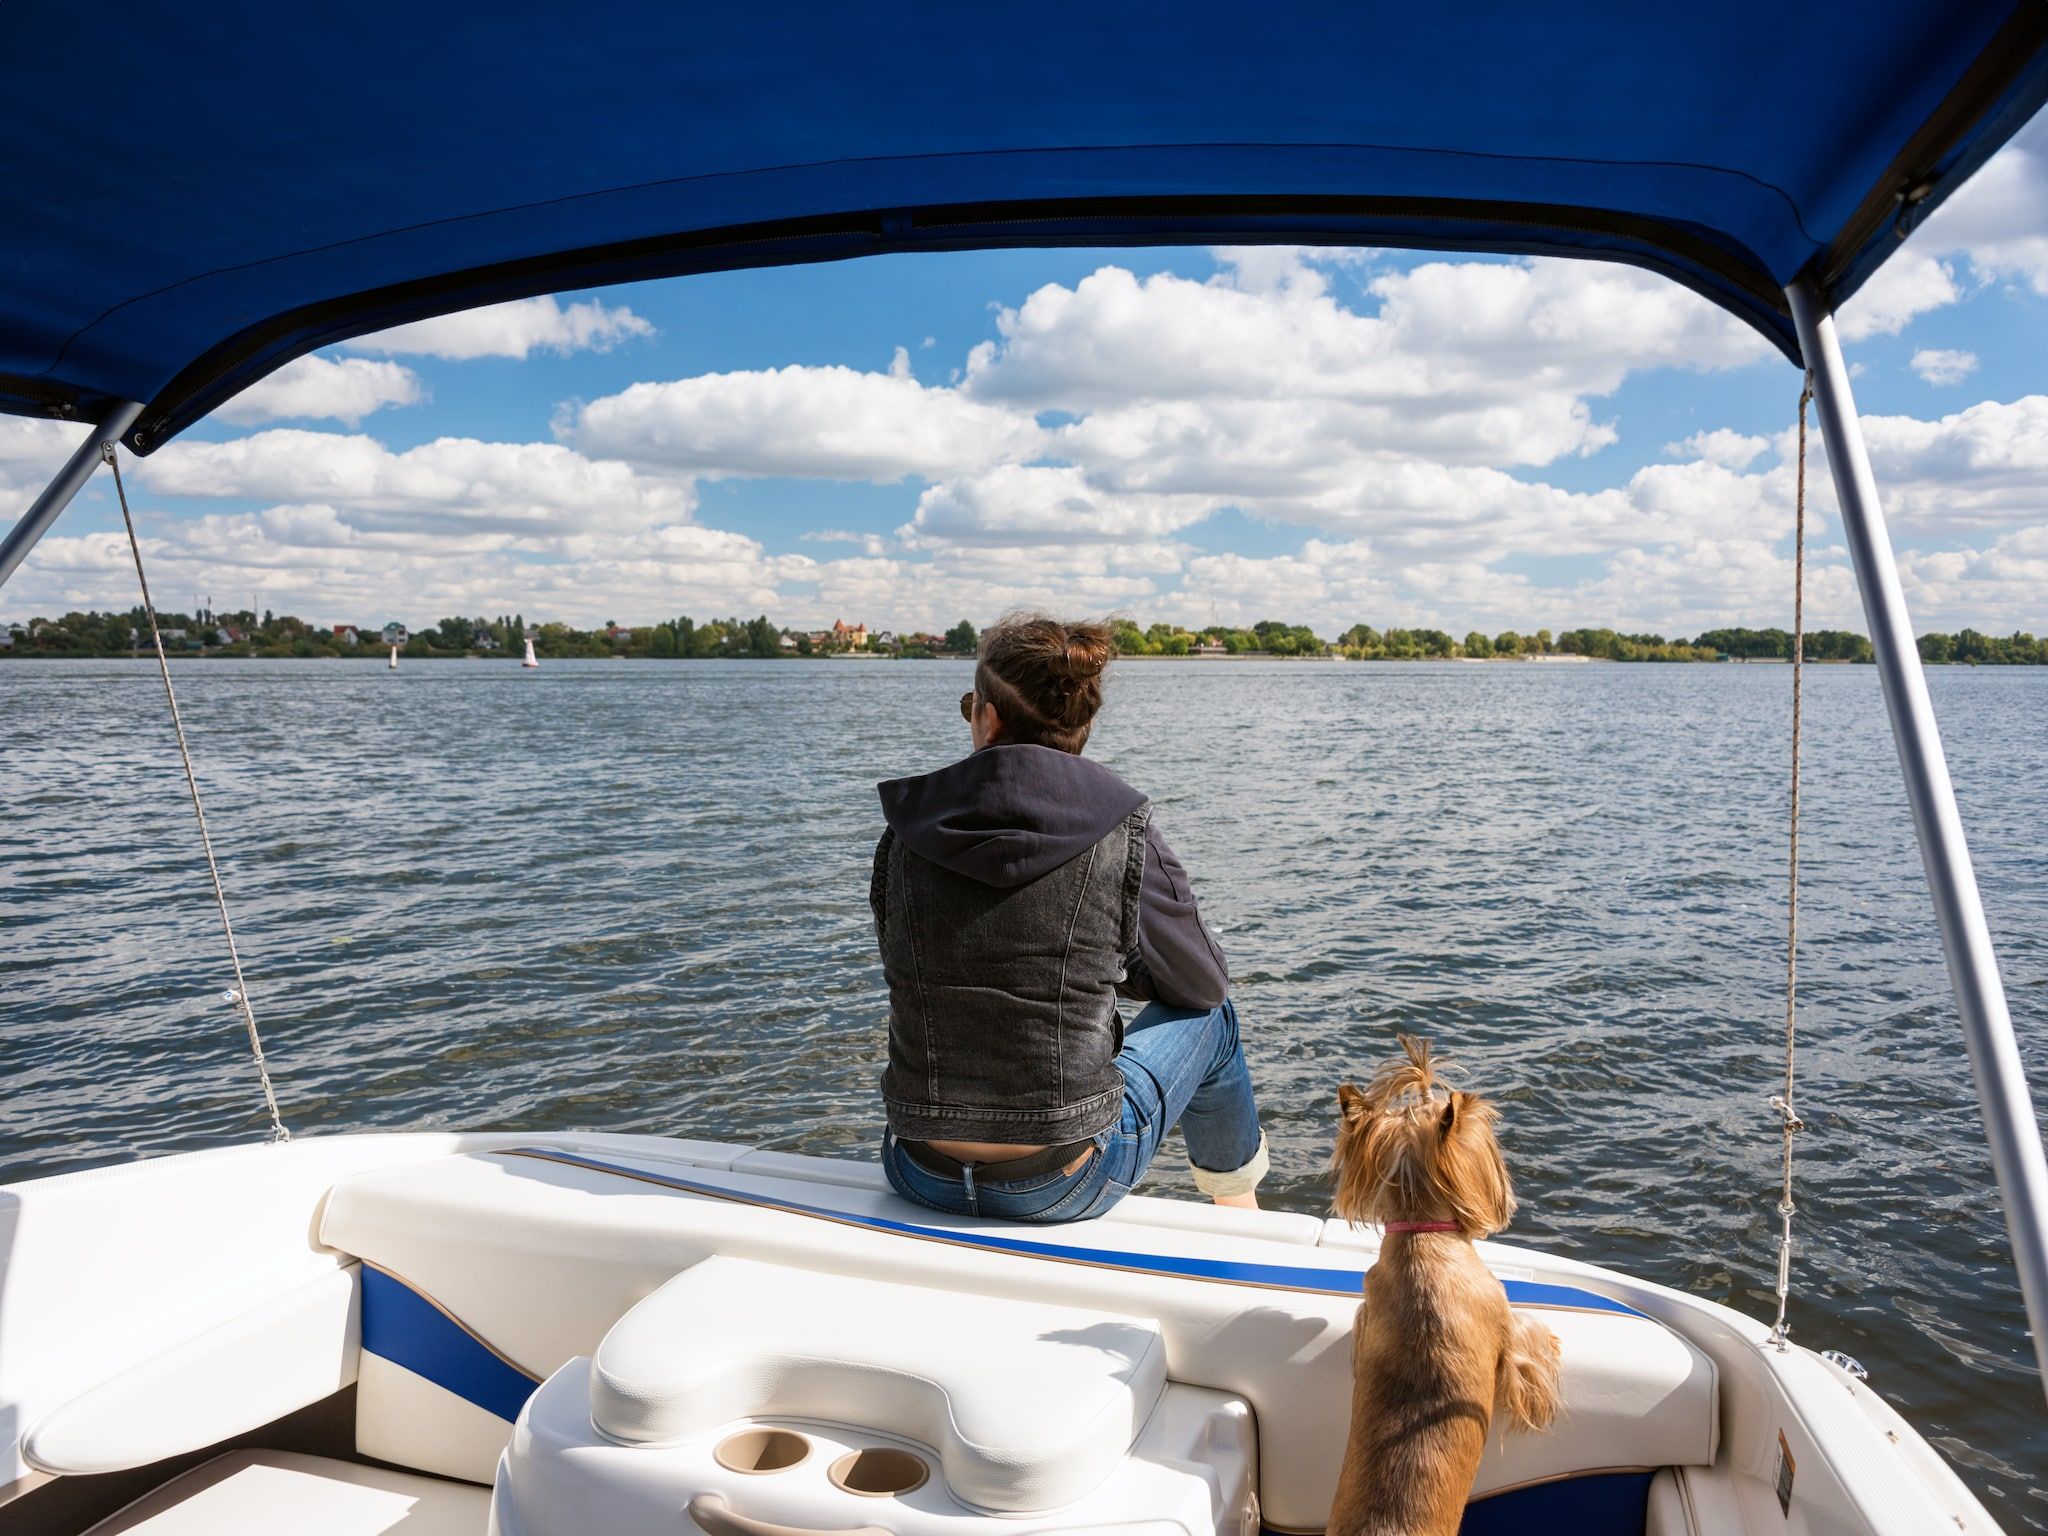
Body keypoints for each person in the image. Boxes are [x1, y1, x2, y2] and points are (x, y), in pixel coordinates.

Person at [871, 612, 1267, 1222]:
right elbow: (1202, 986)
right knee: (1217, 1018)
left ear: (989, 715)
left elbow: (910, 961)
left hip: (917, 1167)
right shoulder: (1126, 832)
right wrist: (1109, 969)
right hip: (1060, 1182)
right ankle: (1240, 1216)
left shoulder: (904, 835)